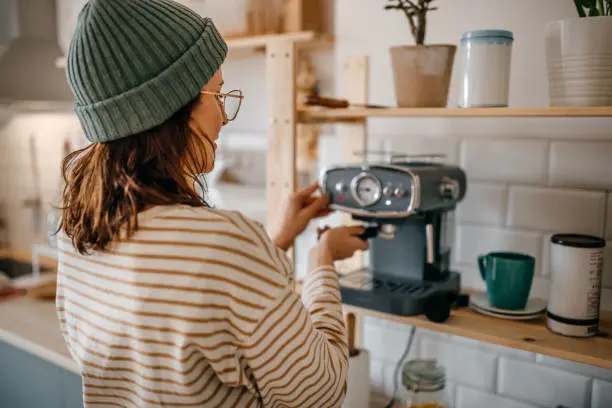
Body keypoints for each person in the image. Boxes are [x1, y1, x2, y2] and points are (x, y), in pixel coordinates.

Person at [55, 1, 368, 407]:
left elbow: (190, 306)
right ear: (171, 105)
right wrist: (321, 262)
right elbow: (320, 392)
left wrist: (278, 240)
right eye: (217, 95)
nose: (223, 115)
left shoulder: (79, 232)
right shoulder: (224, 245)